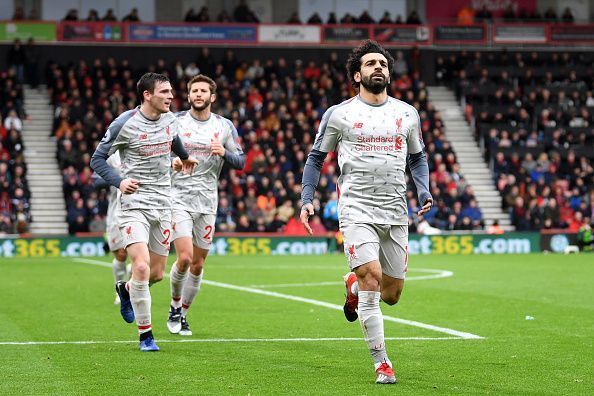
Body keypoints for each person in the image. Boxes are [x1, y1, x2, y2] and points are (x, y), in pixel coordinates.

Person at [300, 40, 432, 384]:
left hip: (395, 210)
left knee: (392, 295)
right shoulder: (339, 114)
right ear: (357, 75)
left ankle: (353, 287)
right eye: (371, 63)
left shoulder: (407, 114)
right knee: (372, 276)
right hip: (357, 208)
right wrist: (307, 197)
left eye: (383, 64)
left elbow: (418, 158)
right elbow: (316, 158)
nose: (379, 68)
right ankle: (382, 363)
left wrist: (424, 189)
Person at [90, 72, 198, 352]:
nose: (171, 96)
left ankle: (127, 290)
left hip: (163, 203)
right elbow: (97, 160)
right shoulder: (124, 124)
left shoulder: (170, 119)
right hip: (133, 204)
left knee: (157, 274)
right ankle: (146, 336)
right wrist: (119, 181)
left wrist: (183, 158)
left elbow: (172, 140)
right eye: (164, 92)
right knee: (139, 266)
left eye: (172, 92)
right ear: (147, 95)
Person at [167, 75, 245, 336]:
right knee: (185, 257)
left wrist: (225, 153)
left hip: (207, 202)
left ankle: (184, 315)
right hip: (178, 198)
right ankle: (175, 307)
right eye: (194, 91)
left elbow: (241, 161)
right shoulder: (174, 121)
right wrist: (172, 162)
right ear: (188, 96)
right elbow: (158, 152)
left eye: (203, 91)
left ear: (212, 97)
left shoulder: (224, 126)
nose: (198, 95)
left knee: (198, 265)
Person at [94, 152, 130, 304]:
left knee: (138, 255)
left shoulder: (142, 147)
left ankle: (131, 289)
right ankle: (120, 290)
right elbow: (96, 182)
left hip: (140, 208)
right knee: (121, 255)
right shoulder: (111, 155)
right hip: (117, 211)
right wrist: (119, 180)